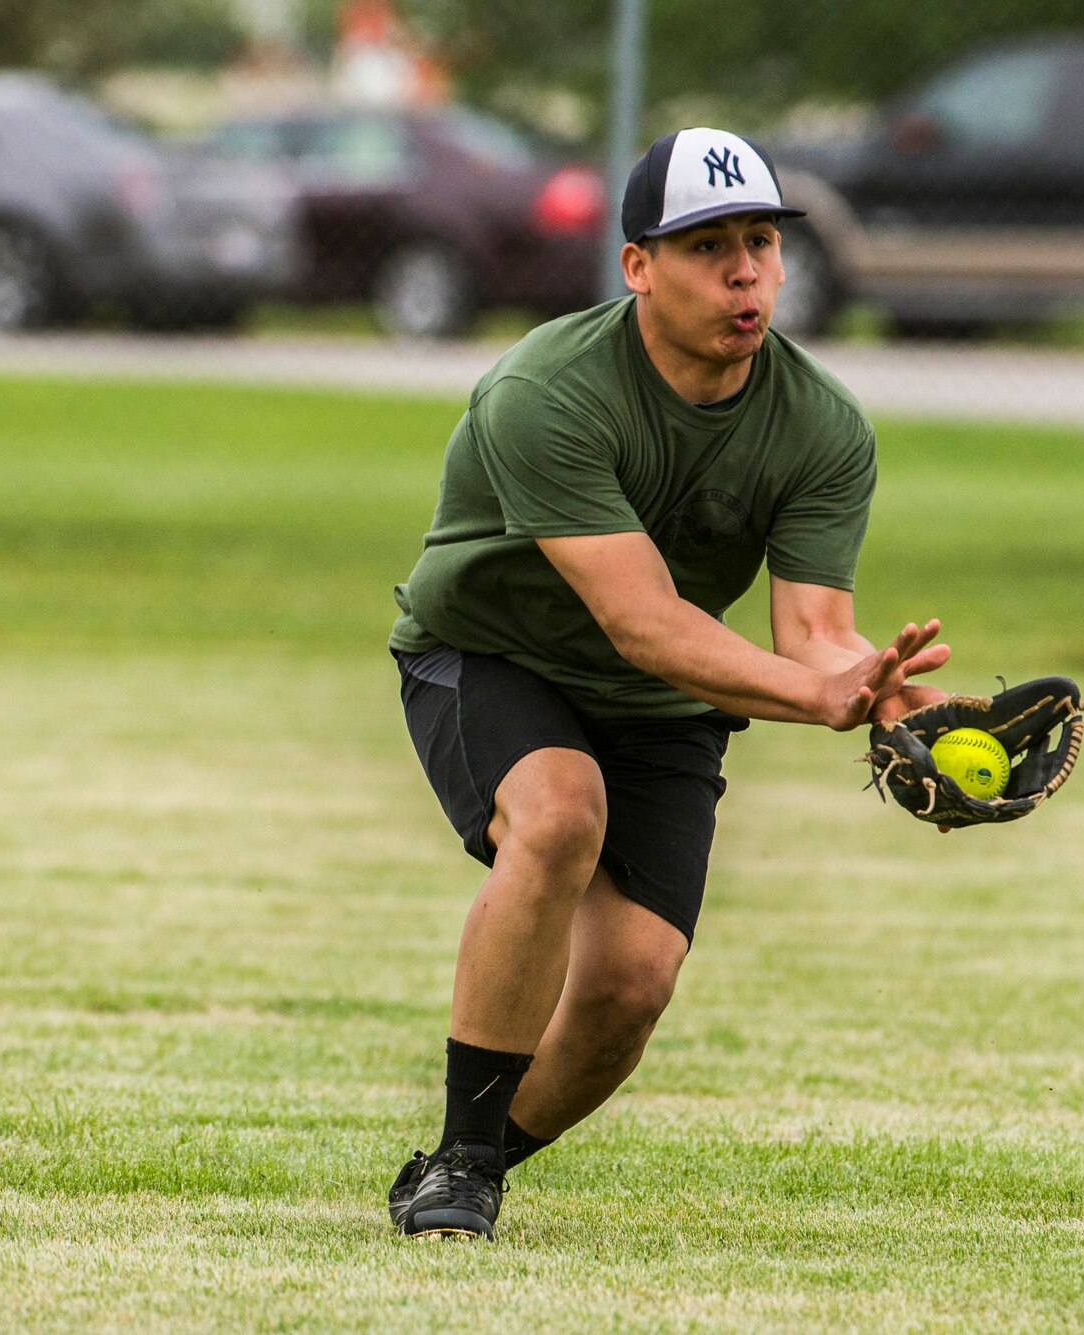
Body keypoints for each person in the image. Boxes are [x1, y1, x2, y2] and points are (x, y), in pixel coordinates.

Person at [385, 127, 947, 1239]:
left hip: (662, 704)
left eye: (760, 242)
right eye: (705, 247)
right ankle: (460, 1167)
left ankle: (465, 1162)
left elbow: (815, 633)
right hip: (493, 650)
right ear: (636, 265)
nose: (744, 273)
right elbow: (640, 621)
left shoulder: (820, 426)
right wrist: (820, 698)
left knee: (630, 988)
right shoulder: (544, 391)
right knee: (557, 816)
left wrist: (887, 696)